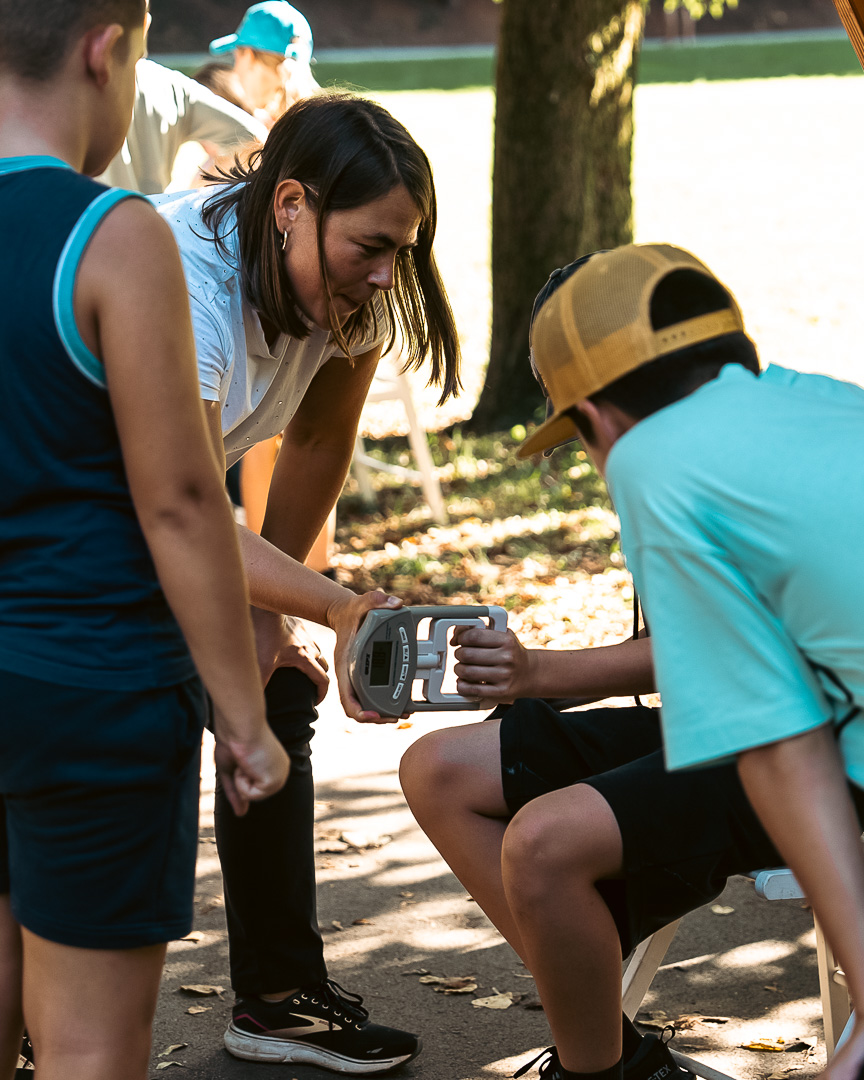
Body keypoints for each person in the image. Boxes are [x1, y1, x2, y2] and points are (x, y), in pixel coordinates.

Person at [402, 243, 864, 1080]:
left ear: (597, 418)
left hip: (835, 744)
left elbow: (774, 744)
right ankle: (617, 1049)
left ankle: (598, 1064)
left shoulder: (657, 463)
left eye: (575, 437)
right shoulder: (816, 403)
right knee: (446, 771)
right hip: (803, 717)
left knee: (544, 849)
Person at [0, 2, 290, 1079]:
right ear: (106, 47)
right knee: (87, 1041)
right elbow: (180, 500)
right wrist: (244, 715)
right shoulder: (117, 235)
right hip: (95, 690)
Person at [152, 91, 461, 1073]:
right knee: (124, 721)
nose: (385, 274)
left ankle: (278, 999)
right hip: (63, 522)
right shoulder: (184, 282)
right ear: (291, 204)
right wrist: (325, 604)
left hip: (158, 513)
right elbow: (191, 506)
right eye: (369, 245)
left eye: (401, 250)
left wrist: (270, 619)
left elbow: (318, 441)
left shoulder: (356, 290)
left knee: (275, 684)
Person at [208, 1, 319, 129]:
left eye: (236, 58)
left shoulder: (257, 136)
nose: (235, 69)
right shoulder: (323, 121)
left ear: (249, 56)